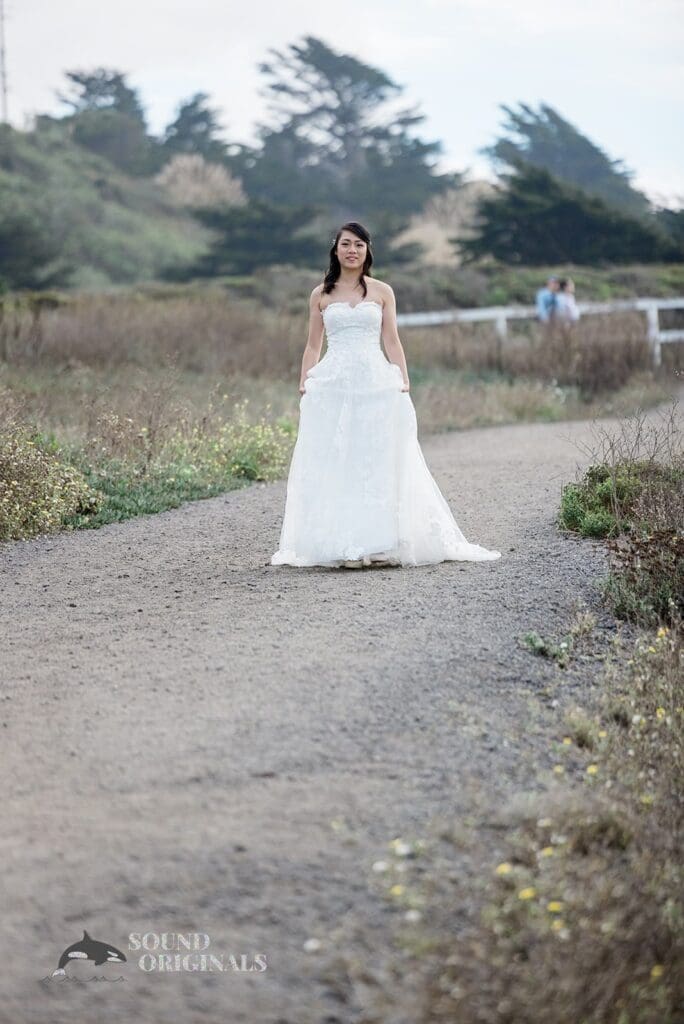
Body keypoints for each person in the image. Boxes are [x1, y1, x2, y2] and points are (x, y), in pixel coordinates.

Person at [270, 221, 502, 569]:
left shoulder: (381, 291)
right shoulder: (321, 294)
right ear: (336, 249)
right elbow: (313, 344)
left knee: (375, 457)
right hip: (334, 384)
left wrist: (403, 379)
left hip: (374, 383)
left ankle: (379, 543)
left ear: (367, 251)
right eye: (346, 244)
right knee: (338, 458)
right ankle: (341, 543)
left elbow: (391, 340)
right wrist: (305, 380)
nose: (352, 250)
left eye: (359, 245)